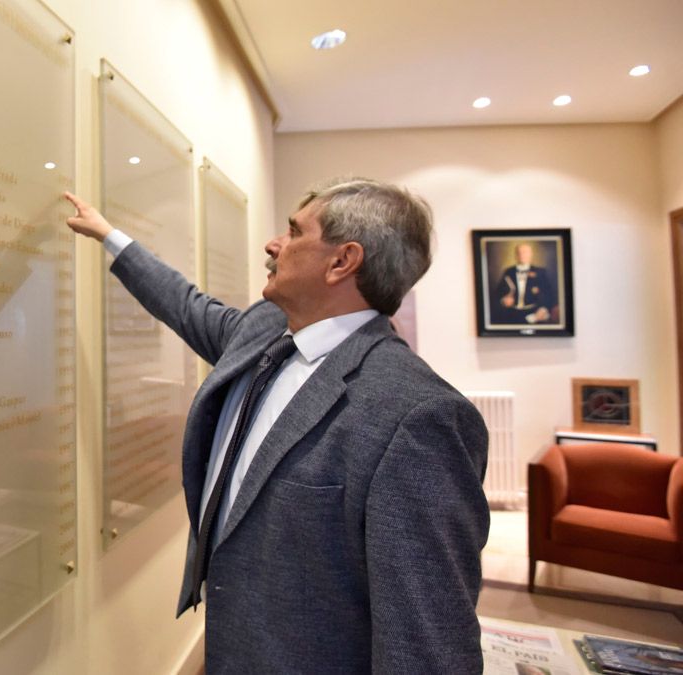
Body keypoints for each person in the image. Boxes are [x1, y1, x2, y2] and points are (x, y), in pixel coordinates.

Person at [64, 178, 489, 673]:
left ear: (342, 261)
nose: (273, 244)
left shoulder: (416, 416)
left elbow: (426, 638)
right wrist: (109, 236)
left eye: (293, 231)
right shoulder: (266, 330)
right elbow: (186, 305)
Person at [491, 243, 557, 325]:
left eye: (525, 252)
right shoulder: (508, 272)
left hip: (533, 313)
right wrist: (503, 300)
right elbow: (497, 293)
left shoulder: (540, 272)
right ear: (516, 255)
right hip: (512, 313)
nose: (522, 255)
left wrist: (543, 309)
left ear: (531, 255)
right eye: (519, 252)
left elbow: (549, 294)